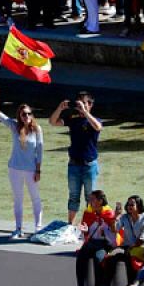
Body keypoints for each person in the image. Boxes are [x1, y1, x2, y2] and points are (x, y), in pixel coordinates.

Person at [0, 85, 44, 239]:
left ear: (32, 115)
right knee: (18, 199)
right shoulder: (14, 126)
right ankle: (18, 228)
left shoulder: (37, 129)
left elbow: (40, 151)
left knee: (35, 198)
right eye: (23, 114)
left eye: (28, 113)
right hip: (14, 169)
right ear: (19, 116)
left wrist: (38, 170)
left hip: (31, 170)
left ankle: (38, 228)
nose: (26, 116)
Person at [50, 92, 103, 225]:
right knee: (73, 197)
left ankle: (90, 225)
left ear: (90, 104)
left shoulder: (94, 120)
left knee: (90, 198)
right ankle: (70, 225)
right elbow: (52, 122)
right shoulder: (72, 119)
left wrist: (85, 112)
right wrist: (60, 109)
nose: (79, 106)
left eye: (83, 103)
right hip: (73, 165)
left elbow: (98, 127)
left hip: (89, 165)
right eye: (78, 103)